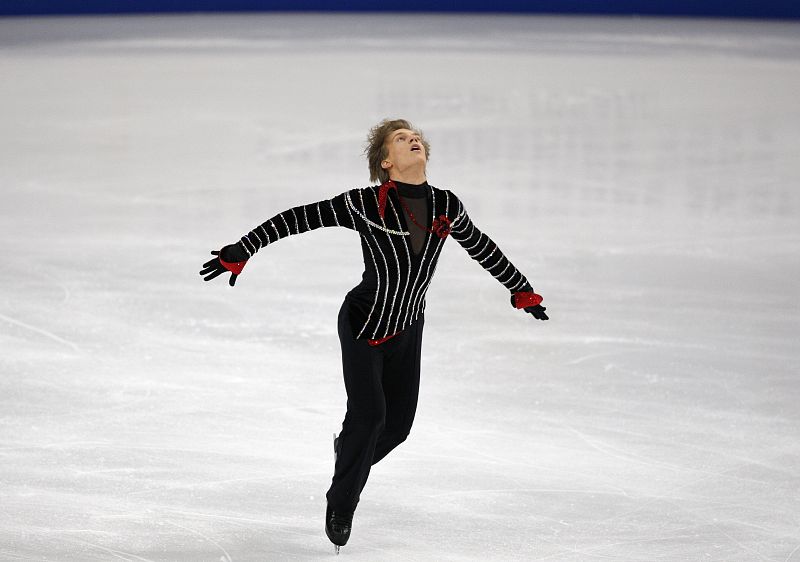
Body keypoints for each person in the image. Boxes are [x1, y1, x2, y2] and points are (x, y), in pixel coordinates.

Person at [199, 118, 548, 553]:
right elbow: (299, 218)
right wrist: (245, 248)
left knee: (396, 428)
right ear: (386, 162)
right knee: (370, 418)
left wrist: (520, 288)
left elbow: (482, 246)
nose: (413, 139)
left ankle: (348, 452)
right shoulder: (364, 203)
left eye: (415, 137)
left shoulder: (446, 205)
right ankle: (341, 503)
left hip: (408, 327)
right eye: (401, 139)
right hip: (364, 324)